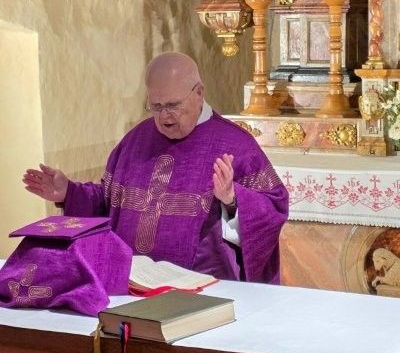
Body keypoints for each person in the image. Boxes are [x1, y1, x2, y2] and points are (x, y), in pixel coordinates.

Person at [23, 52, 289, 284]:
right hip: (131, 283)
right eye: (156, 106)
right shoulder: (135, 140)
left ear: (199, 93)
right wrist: (69, 192)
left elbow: (274, 208)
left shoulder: (235, 144)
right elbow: (108, 200)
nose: (164, 116)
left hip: (204, 289)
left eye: (173, 105)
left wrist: (233, 199)